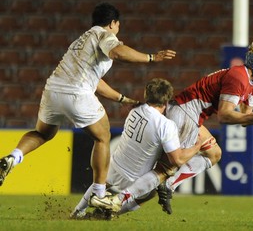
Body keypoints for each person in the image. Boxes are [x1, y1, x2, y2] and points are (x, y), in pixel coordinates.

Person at [0, 2, 176, 210]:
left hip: (53, 90)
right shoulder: (104, 35)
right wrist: (152, 57)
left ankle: (13, 157)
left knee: (43, 134)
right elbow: (118, 52)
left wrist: (122, 98)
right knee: (102, 137)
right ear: (113, 22)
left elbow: (96, 82)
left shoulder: (81, 40)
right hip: (76, 92)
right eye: (118, 24)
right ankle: (99, 194)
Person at [155, 40, 253, 214]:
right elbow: (224, 115)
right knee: (162, 170)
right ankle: (121, 199)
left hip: (192, 116)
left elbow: (244, 119)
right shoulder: (238, 76)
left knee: (214, 154)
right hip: (185, 111)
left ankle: (168, 185)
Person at [70, 78, 204, 219]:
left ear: (146, 95)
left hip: (116, 165)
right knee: (157, 183)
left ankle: (78, 211)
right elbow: (177, 159)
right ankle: (110, 211)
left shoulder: (135, 110)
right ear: (167, 101)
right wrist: (197, 147)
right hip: (136, 178)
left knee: (101, 183)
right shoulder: (166, 125)